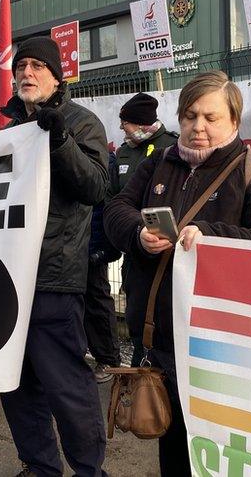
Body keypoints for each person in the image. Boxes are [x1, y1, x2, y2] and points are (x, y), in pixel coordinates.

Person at [104, 71, 251, 476]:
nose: (198, 127)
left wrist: (211, 235)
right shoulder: (159, 162)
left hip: (223, 348)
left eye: (211, 117)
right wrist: (138, 234)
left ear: (234, 123)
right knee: (173, 451)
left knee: (221, 455)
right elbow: (115, 210)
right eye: (190, 116)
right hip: (162, 342)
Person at [0, 36, 110, 476]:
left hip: (53, 280)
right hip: (7, 278)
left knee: (67, 388)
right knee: (16, 384)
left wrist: (59, 139)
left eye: (37, 67)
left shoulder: (81, 123)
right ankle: (39, 465)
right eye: (21, 65)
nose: (26, 73)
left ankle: (89, 470)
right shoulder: (7, 132)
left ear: (56, 75)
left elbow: (95, 187)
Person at [108, 93, 178, 365]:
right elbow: (113, 197)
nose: (123, 128)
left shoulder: (170, 148)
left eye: (126, 122)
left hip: (166, 252)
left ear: (140, 122)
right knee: (136, 312)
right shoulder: (123, 152)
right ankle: (140, 378)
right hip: (133, 247)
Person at [85, 154, 122, 383]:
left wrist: (101, 248)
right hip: (72, 245)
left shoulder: (103, 161)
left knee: (97, 301)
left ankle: (108, 358)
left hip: (92, 245)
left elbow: (104, 207)